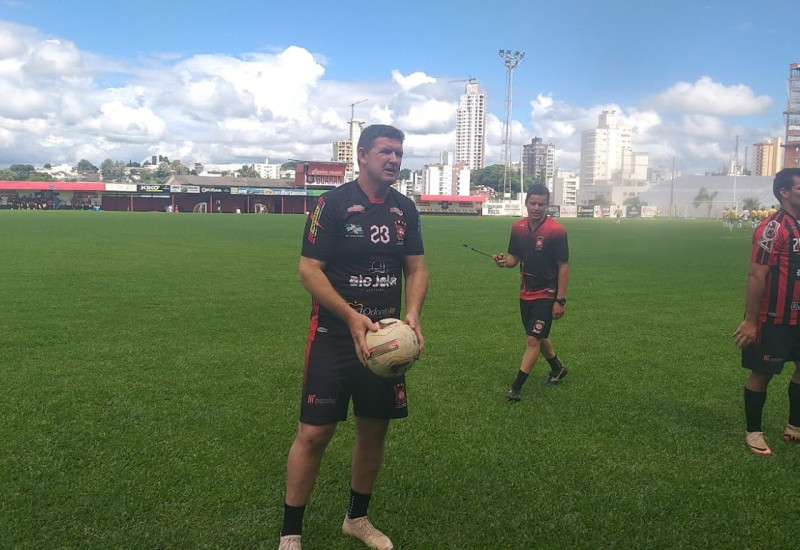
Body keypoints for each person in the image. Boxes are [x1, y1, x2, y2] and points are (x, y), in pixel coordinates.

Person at [279, 125, 428, 550]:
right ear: (362, 155)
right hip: (334, 336)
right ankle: (291, 533)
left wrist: (412, 316)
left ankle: (356, 519)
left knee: (373, 429)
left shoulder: (405, 209)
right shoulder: (332, 205)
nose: (394, 160)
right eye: (386, 152)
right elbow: (309, 270)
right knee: (313, 434)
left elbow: (416, 269)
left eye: (399, 153)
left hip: (386, 345)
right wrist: (350, 318)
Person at [733, 168, 800, 456]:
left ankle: (795, 425)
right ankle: (754, 432)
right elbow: (756, 275)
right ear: (784, 192)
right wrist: (750, 321)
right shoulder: (772, 228)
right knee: (762, 374)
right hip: (773, 319)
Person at [493, 184, 569, 403]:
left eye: (541, 204)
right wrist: (503, 262)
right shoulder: (517, 228)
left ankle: (516, 388)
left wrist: (560, 300)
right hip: (526, 292)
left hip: (547, 293)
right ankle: (557, 368)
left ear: (547, 205)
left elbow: (563, 267)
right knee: (539, 334)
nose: (537, 208)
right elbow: (513, 259)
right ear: (526, 203)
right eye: (533, 203)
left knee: (532, 339)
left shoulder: (556, 231)